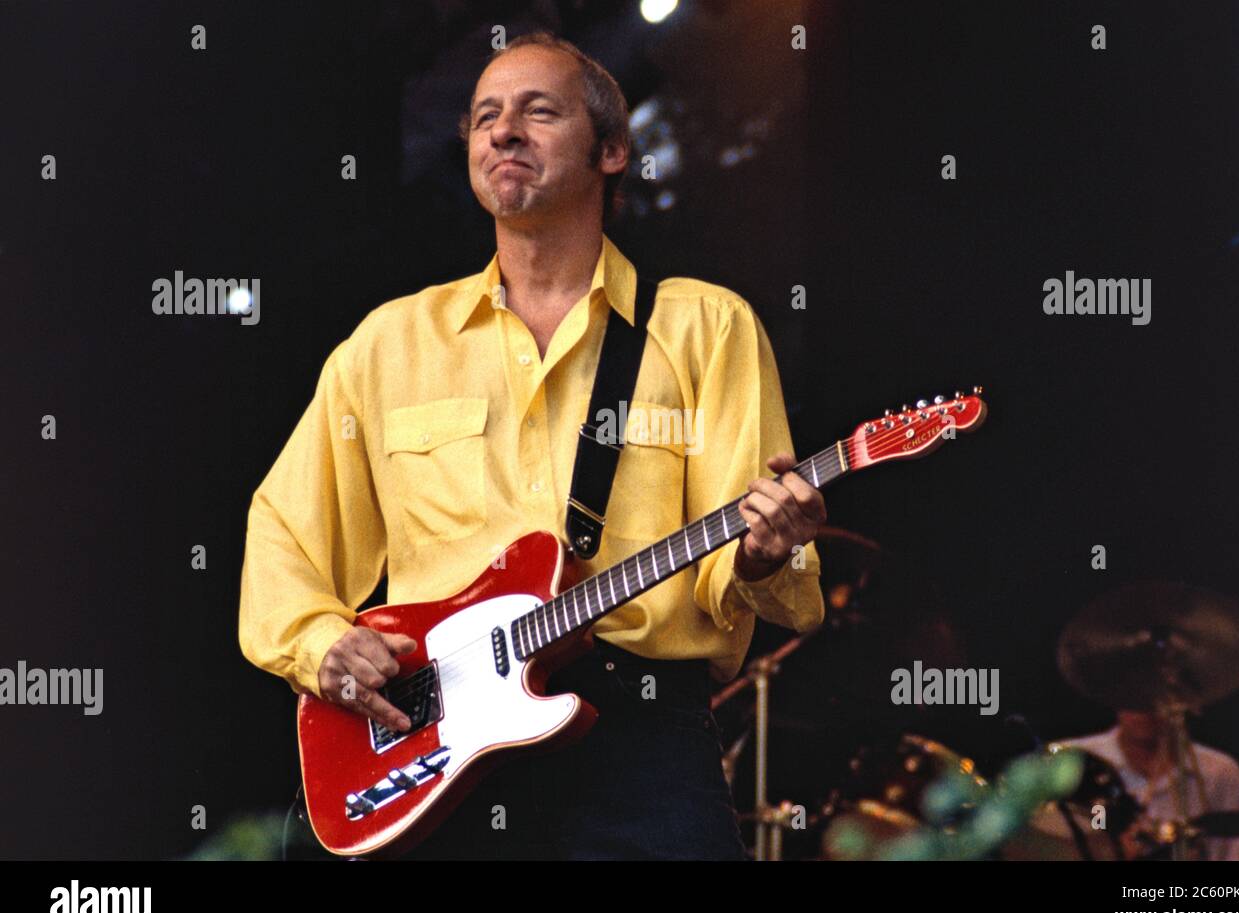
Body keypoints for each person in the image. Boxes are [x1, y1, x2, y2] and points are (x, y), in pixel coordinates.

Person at [238, 31, 825, 860]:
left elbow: (755, 571)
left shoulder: (704, 326)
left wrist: (765, 556)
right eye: (484, 118)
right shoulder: (388, 344)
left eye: (537, 111)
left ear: (613, 150)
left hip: (641, 745)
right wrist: (323, 646)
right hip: (431, 743)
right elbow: (284, 530)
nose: (502, 132)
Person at [1054, 711, 1239, 860]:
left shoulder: (1220, 772)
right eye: (1134, 692)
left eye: (1154, 693)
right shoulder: (1071, 763)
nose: (1144, 706)